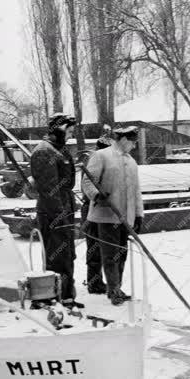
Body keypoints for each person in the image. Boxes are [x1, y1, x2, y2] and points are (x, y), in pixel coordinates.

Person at [81, 125, 144, 306]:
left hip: (126, 217)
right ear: (124, 140)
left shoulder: (131, 162)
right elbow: (88, 180)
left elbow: (136, 191)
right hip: (106, 215)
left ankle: (116, 287)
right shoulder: (101, 156)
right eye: (133, 142)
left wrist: (139, 215)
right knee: (110, 255)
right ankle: (113, 290)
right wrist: (96, 195)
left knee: (121, 254)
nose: (134, 146)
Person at [30, 112, 81, 307]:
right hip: (53, 214)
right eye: (69, 130)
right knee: (57, 256)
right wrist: (59, 216)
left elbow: (65, 185)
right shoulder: (44, 152)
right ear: (58, 129)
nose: (71, 134)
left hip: (64, 210)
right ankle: (54, 298)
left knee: (67, 254)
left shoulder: (60, 150)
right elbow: (48, 190)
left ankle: (66, 296)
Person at [79, 126, 112, 294]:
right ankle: (94, 282)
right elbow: (87, 186)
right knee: (94, 248)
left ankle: (97, 281)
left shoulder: (99, 159)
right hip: (91, 209)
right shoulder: (94, 160)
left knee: (100, 247)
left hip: (97, 208)